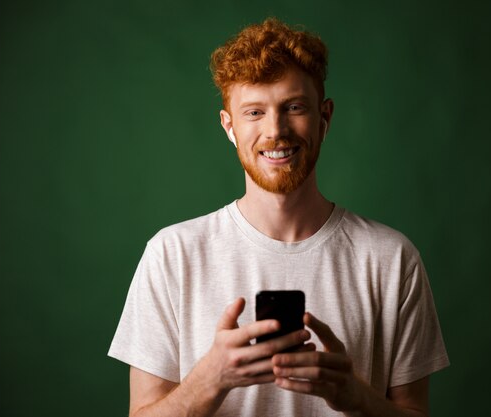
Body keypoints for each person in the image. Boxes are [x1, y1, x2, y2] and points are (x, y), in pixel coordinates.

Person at [108, 17, 449, 417]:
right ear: (229, 126)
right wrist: (210, 379)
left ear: (325, 118)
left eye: (294, 107)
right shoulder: (171, 255)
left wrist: (358, 399)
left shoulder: (391, 259)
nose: (276, 130)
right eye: (254, 112)